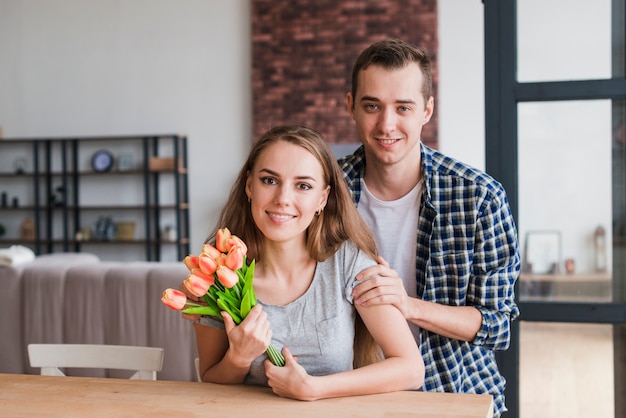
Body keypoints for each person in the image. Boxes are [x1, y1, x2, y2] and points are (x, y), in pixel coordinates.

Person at [341, 38, 520, 417]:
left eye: (403, 107)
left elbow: (496, 325)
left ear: (427, 110)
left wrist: (407, 306)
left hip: (454, 394)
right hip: (351, 393)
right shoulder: (325, 191)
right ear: (351, 106)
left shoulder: (480, 197)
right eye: (372, 106)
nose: (386, 124)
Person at [193, 125, 424, 400]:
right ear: (249, 185)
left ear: (322, 198)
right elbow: (210, 381)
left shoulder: (349, 266)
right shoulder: (217, 273)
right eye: (269, 180)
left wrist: (314, 389)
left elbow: (410, 369)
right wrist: (239, 357)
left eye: (303, 186)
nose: (283, 199)